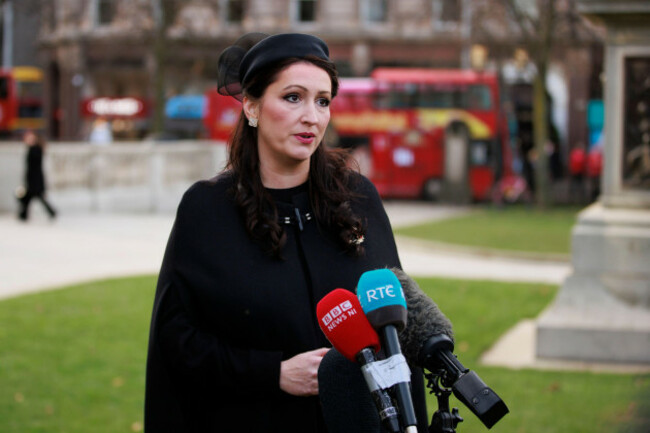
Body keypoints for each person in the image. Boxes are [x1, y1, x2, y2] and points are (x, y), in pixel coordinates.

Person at [144, 33, 429, 432]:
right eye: (293, 97)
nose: (311, 116)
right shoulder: (207, 210)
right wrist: (272, 373)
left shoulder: (358, 198)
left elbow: (398, 330)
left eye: (323, 100)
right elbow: (177, 343)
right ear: (251, 106)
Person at [17, 130, 57, 221]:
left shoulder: (35, 150)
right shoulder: (34, 149)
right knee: (28, 199)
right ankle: (23, 215)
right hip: (33, 179)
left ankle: (24, 215)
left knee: (32, 198)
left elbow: (34, 167)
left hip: (35, 180)